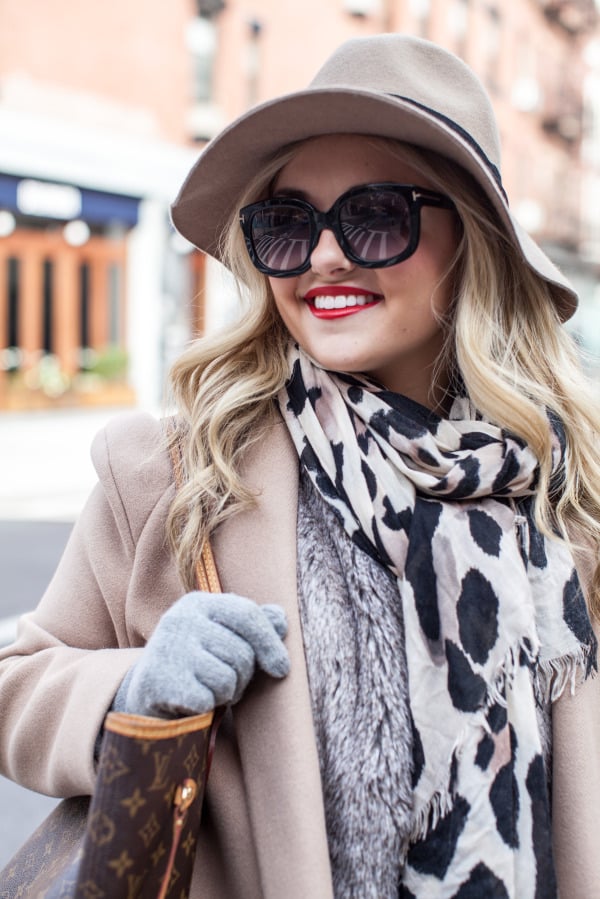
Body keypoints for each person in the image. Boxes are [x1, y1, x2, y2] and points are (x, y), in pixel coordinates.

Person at [1, 32, 600, 899]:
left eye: (376, 216)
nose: (325, 256)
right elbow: (19, 682)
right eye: (288, 223)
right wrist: (133, 683)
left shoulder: (564, 494)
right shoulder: (175, 472)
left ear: (470, 239)